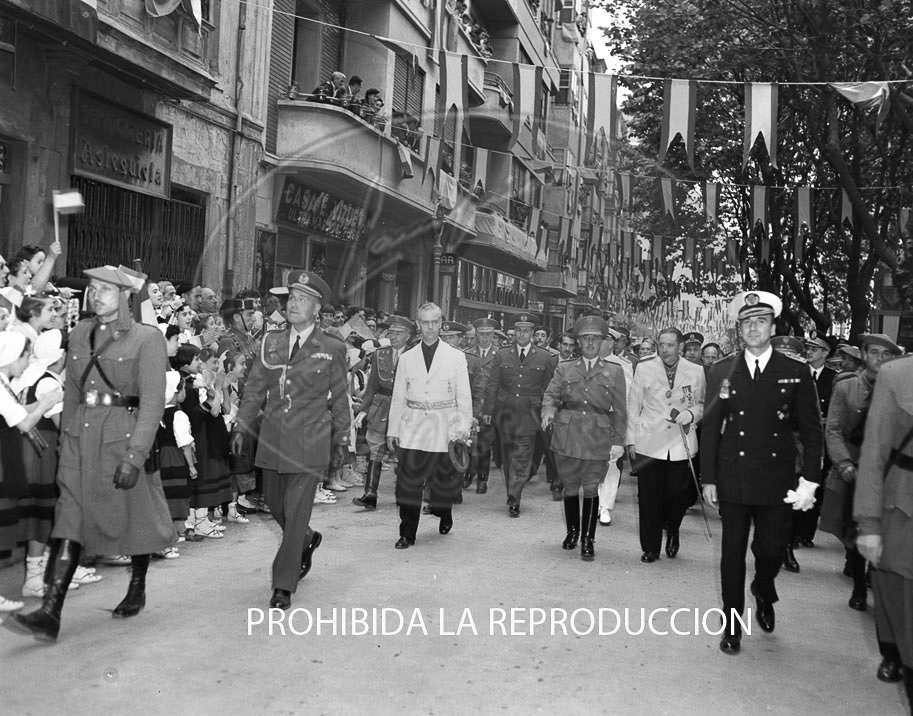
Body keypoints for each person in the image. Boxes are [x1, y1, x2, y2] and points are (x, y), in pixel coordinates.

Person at [6, 265, 172, 642]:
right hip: (81, 438)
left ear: (124, 296)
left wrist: (135, 456)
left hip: (122, 436)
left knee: (134, 512)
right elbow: (73, 392)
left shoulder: (147, 338)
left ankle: (138, 584)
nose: (95, 296)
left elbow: (151, 404)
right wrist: (66, 440)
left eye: (105, 290)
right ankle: (50, 612)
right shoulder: (80, 332)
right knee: (69, 517)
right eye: (92, 289)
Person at [701, 291, 823, 655]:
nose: (753, 328)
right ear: (738, 329)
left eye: (761, 321)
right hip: (734, 473)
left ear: (772, 327)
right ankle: (732, 626)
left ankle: (764, 588)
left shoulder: (795, 372)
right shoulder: (722, 370)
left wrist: (811, 480)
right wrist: (709, 478)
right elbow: (711, 428)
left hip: (776, 477)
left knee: (771, 551)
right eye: (747, 322)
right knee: (732, 554)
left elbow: (812, 431)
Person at [231, 271, 350, 611]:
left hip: (311, 438)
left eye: (302, 299)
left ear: (317, 308)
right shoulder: (271, 342)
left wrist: (342, 439)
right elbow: (255, 388)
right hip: (273, 436)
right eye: (292, 298)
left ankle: (283, 584)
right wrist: (241, 426)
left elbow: (341, 397)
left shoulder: (332, 347)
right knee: (276, 505)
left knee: (295, 513)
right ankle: (307, 539)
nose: (294, 304)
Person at [819, 333, 904, 685]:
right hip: (855, 466)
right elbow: (834, 429)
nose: (879, 358)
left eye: (886, 353)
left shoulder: (901, 385)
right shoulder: (847, 387)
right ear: (864, 355)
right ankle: (858, 583)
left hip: (894, 473)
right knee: (855, 532)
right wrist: (842, 464)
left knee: (889, 545)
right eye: (874, 352)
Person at [386, 303, 473, 548]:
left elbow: (463, 396)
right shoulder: (407, 358)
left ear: (441, 324)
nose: (430, 327)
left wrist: (463, 429)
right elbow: (398, 397)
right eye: (425, 322)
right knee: (408, 483)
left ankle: (444, 512)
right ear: (418, 324)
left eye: (435, 322)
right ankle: (407, 533)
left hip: (443, 427)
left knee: (442, 482)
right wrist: (393, 430)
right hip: (412, 427)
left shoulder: (456, 357)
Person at [541, 315, 626, 561]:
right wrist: (548, 411)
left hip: (597, 437)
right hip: (567, 435)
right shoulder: (565, 368)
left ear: (603, 342)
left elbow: (621, 410)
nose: (590, 343)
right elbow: (551, 395)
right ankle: (572, 532)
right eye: (585, 338)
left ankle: (588, 539)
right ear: (578, 342)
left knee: (590, 488)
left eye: (595, 339)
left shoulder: (614, 371)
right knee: (569, 486)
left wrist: (619, 441)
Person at [855, 349, 913, 702]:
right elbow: (874, 454)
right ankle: (893, 654)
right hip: (905, 515)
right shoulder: (898, 375)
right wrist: (869, 524)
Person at [627, 328, 706, 562]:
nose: (664, 349)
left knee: (677, 496)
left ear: (680, 347)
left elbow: (701, 403)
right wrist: (630, 439)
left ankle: (673, 530)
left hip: (680, 442)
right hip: (649, 440)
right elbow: (633, 405)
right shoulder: (644, 368)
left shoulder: (696, 371)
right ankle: (650, 547)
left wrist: (691, 414)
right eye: (661, 344)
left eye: (669, 345)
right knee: (648, 496)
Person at [483, 312, 555, 518]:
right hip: (505, 413)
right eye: (518, 331)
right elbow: (493, 385)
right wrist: (488, 411)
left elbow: (548, 389)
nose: (522, 334)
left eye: (526, 331)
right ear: (513, 333)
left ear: (532, 333)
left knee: (522, 457)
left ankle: (515, 497)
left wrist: (547, 412)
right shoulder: (502, 355)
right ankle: (512, 489)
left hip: (529, 415)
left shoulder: (544, 357)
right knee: (507, 458)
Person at [352, 315, 414, 510]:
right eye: (391, 332)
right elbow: (371, 386)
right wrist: (364, 410)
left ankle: (404, 493)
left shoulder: (415, 355)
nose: (393, 336)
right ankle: (370, 493)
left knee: (404, 451)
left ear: (408, 336)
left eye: (398, 333)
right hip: (382, 406)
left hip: (405, 408)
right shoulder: (380, 354)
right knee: (375, 449)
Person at [463, 317, 498, 494]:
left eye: (488, 334)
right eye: (481, 334)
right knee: (468, 443)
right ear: (476, 334)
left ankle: (482, 479)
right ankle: (469, 473)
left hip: (489, 406)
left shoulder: (499, 354)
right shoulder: (467, 354)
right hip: (470, 404)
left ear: (493, 335)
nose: (484, 338)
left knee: (484, 444)